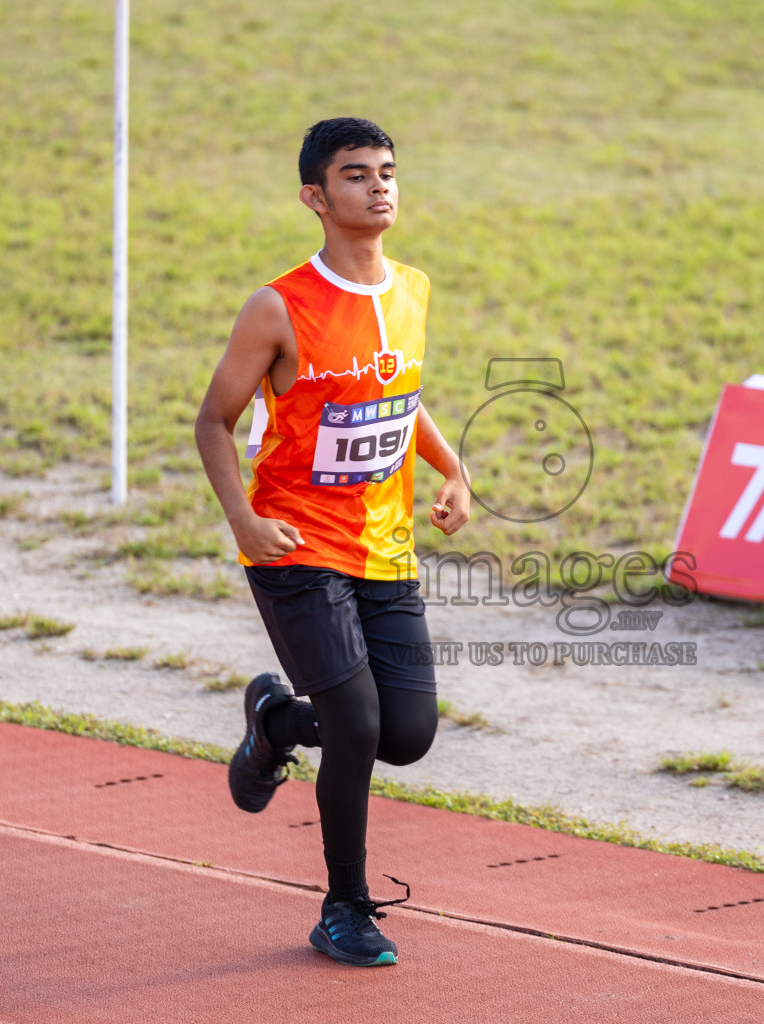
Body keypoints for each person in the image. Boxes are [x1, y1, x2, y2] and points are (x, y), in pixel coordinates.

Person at [194, 117, 469, 967]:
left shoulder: (412, 288)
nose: (379, 187)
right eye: (356, 175)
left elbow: (399, 394)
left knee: (407, 734)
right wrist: (242, 520)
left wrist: (454, 469)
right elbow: (215, 421)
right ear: (316, 197)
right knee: (354, 726)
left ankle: (275, 720)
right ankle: (344, 908)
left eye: (387, 172)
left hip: (386, 549)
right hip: (295, 547)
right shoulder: (277, 306)